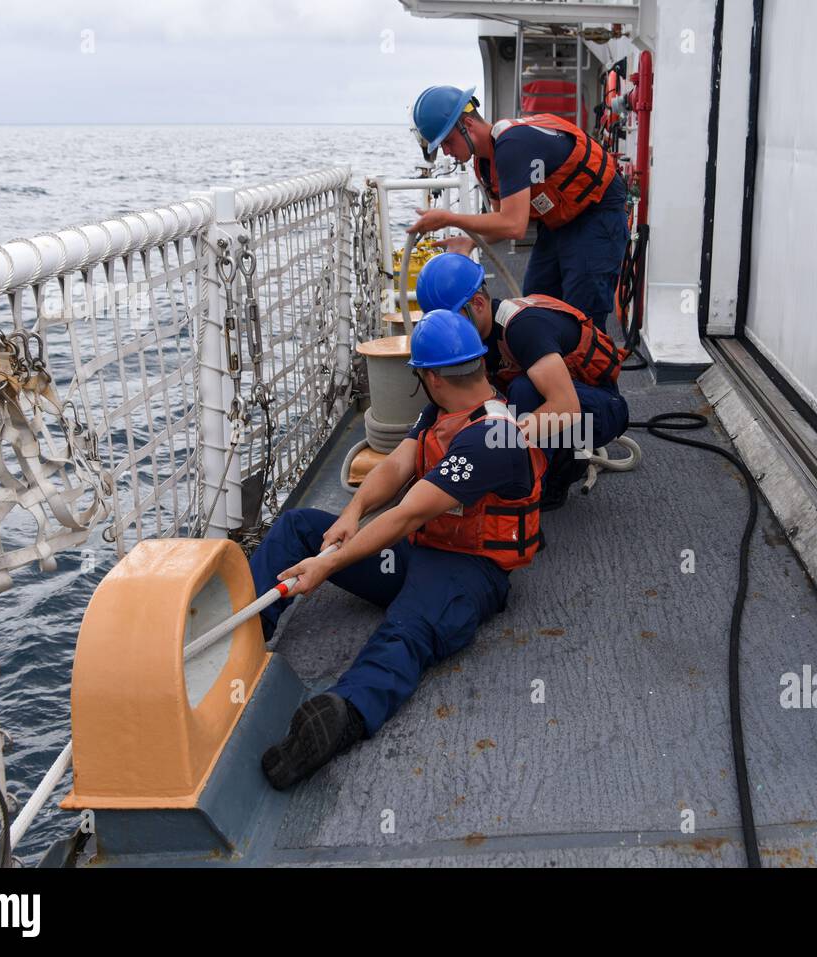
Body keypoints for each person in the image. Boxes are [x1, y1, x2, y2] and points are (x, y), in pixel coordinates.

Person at [251, 310, 547, 789]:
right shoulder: (442, 409)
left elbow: (407, 513)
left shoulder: (492, 437)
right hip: (421, 549)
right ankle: (245, 627)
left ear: (429, 376)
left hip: (470, 571)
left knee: (407, 628)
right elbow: (398, 464)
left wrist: (328, 566)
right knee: (301, 526)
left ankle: (345, 712)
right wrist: (352, 511)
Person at [416, 251, 630, 510]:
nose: (447, 330)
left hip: (599, 410)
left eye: (452, 319)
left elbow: (566, 406)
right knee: (500, 398)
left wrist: (494, 446)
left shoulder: (522, 329)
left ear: (478, 304)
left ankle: (547, 481)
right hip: (566, 407)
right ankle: (531, 464)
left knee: (523, 389)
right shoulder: (477, 337)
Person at [408, 84, 629, 331]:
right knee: (536, 303)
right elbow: (501, 224)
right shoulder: (484, 165)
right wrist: (471, 241)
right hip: (559, 222)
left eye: (448, 142)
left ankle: (586, 365)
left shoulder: (513, 145)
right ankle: (550, 362)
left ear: (467, 125)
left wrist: (450, 218)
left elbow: (514, 225)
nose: (447, 153)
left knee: (583, 315)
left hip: (597, 213)